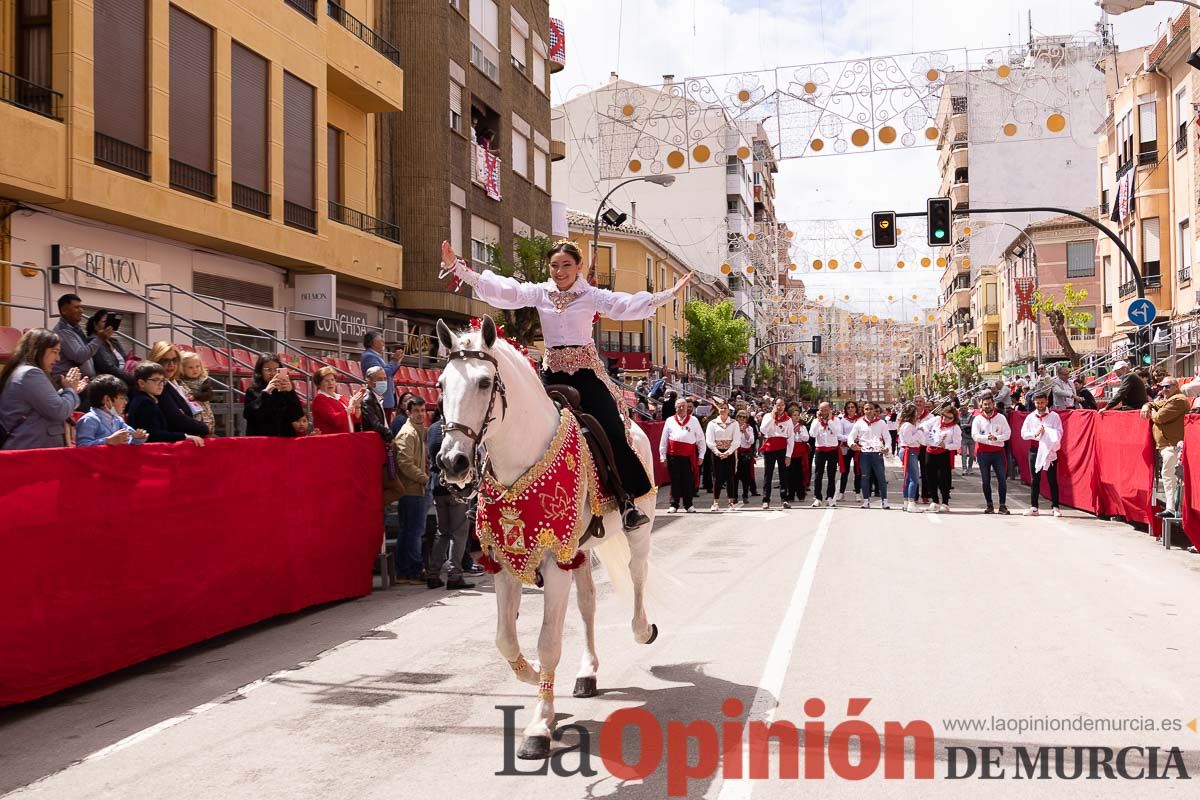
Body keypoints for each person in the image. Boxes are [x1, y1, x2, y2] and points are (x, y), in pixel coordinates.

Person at [442, 239, 690, 531]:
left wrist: (668, 294)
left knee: (611, 427)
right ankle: (484, 494)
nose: (560, 271)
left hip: (586, 374)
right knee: (508, 420)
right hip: (550, 375)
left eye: (566, 265)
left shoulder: (591, 295)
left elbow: (625, 305)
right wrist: (458, 268)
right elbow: (504, 291)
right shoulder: (539, 292)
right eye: (555, 265)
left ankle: (626, 501)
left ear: (578, 267)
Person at [0, 328, 86, 450]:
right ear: (38, 350)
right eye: (54, 352)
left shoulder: (21, 372)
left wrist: (70, 392)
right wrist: (70, 390)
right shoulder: (31, 374)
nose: (58, 359)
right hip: (31, 454)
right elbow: (59, 410)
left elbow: (46, 403)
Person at [425, 405, 475, 589]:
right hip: (456, 486)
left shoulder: (431, 429)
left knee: (443, 532)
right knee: (459, 533)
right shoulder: (455, 430)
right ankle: (455, 575)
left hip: (437, 486)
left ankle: (433, 572)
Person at [392, 394, 429, 584]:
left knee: (410, 531)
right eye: (416, 411)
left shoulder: (418, 431)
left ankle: (405, 571)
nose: (420, 414)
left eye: (423, 410)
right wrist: (424, 478)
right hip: (412, 490)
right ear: (408, 412)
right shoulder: (408, 433)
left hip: (416, 489)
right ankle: (412, 571)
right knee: (412, 532)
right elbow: (404, 463)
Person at [127, 361, 205, 446]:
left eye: (162, 380)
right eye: (156, 380)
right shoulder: (145, 403)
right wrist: (185, 436)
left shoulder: (147, 399)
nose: (161, 384)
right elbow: (153, 434)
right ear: (141, 383)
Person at [1143, 377, 1189, 520]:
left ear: (1176, 386)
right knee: (1169, 477)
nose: (1163, 389)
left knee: (1171, 477)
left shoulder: (1179, 399)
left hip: (1174, 445)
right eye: (1161, 387)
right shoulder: (1169, 399)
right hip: (1168, 445)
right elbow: (1154, 404)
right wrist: (1147, 406)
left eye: (1167, 386)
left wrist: (1151, 411)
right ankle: (1172, 508)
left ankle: (1175, 509)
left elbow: (1160, 417)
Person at [145, 342, 210, 438]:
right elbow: (176, 419)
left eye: (175, 360)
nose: (171, 364)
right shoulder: (157, 386)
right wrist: (204, 427)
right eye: (165, 361)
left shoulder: (176, 382)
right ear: (156, 361)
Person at [243, 353, 306, 437]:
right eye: (268, 370)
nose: (273, 373)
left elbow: (296, 415)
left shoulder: (285, 390)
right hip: (262, 441)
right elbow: (248, 415)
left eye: (276, 370)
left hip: (284, 441)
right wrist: (266, 392)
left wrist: (291, 392)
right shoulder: (252, 391)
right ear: (260, 372)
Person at [1021, 390, 1063, 516]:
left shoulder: (1054, 416)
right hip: (1035, 450)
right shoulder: (1030, 417)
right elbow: (1023, 434)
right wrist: (1036, 434)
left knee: (1052, 479)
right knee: (1035, 479)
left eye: (1042, 402)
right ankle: (1034, 507)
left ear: (1047, 402)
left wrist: (1048, 433)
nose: (1040, 405)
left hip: (1049, 450)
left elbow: (1060, 432)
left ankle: (1055, 507)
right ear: (1034, 403)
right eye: (1037, 403)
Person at [660, 399, 706, 513]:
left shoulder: (694, 420)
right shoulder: (670, 420)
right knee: (675, 480)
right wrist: (662, 456)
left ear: (687, 408)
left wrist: (701, 455)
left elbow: (700, 439)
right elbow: (664, 440)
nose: (681, 409)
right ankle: (674, 504)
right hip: (673, 455)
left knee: (688, 480)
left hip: (688, 456)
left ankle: (688, 504)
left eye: (683, 407)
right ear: (675, 408)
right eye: (678, 407)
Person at [76, 375, 148, 447]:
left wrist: (137, 438)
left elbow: (129, 440)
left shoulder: (118, 420)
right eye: (122, 398)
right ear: (107, 399)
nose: (125, 402)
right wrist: (107, 441)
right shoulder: (89, 419)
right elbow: (82, 447)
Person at [972, 391, 1011, 514]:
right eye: (985, 404)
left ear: (993, 404)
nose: (987, 406)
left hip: (998, 452)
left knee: (1002, 479)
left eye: (989, 404)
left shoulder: (1001, 418)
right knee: (985, 480)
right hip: (983, 453)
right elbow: (975, 435)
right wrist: (987, 438)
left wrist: (997, 438)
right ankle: (989, 504)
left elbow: (1008, 434)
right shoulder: (977, 419)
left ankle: (1002, 505)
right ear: (981, 405)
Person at [847, 401, 890, 509]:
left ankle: (884, 501)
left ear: (874, 410)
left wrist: (887, 447)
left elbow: (888, 437)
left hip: (877, 453)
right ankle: (866, 500)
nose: (869, 411)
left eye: (871, 409)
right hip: (864, 454)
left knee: (881, 477)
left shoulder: (881, 423)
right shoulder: (859, 423)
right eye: (866, 409)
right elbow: (851, 436)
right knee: (865, 477)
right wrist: (852, 444)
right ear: (863, 411)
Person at [51, 293, 100, 383]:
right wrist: (100, 338)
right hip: (67, 384)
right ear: (64, 310)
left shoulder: (75, 329)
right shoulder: (63, 331)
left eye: (81, 307)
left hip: (80, 382)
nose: (81, 311)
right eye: (76, 307)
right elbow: (80, 356)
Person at [923, 404, 961, 513]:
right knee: (930, 478)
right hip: (930, 451)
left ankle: (945, 502)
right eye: (944, 416)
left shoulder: (955, 428)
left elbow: (957, 444)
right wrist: (925, 432)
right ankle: (934, 501)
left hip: (943, 453)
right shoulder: (936, 420)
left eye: (949, 418)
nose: (946, 419)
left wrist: (947, 446)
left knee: (943, 479)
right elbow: (924, 425)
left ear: (954, 418)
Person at [758, 397, 795, 509]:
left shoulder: (788, 420)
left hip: (782, 448)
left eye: (782, 405)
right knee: (768, 474)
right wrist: (772, 418)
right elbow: (763, 430)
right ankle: (766, 500)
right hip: (770, 447)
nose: (780, 407)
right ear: (774, 406)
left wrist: (788, 455)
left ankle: (784, 498)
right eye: (778, 405)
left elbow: (791, 438)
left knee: (783, 474)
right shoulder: (767, 416)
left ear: (784, 406)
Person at [359, 331, 404, 421]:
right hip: (380, 399)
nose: (383, 342)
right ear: (373, 342)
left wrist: (397, 361)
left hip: (385, 399)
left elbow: (388, 375)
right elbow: (381, 374)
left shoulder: (376, 356)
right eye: (381, 339)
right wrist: (394, 361)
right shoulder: (369, 356)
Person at [705, 401, 741, 512]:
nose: (723, 410)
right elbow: (709, 440)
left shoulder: (734, 423)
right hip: (717, 453)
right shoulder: (712, 423)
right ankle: (715, 502)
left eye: (725, 408)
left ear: (728, 410)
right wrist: (717, 452)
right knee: (717, 477)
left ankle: (731, 502)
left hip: (729, 453)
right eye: (721, 408)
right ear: (718, 410)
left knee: (730, 477)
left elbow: (737, 440)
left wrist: (728, 452)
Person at [86, 309, 133, 387]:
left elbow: (125, 360)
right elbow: (107, 367)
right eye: (104, 322)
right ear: (95, 325)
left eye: (110, 322)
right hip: (109, 383)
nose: (108, 326)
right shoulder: (93, 341)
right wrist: (131, 378)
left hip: (123, 380)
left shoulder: (114, 341)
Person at [311, 366, 361, 435]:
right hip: (332, 441)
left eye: (332, 380)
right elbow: (335, 420)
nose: (330, 383)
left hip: (347, 438)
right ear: (319, 384)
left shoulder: (341, 398)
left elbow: (355, 419)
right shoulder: (320, 399)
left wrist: (357, 406)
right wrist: (351, 406)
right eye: (326, 381)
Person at [809, 401, 840, 507]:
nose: (823, 412)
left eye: (826, 409)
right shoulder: (816, 421)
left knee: (831, 474)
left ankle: (830, 497)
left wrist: (829, 421)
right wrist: (818, 421)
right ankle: (817, 497)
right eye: (821, 410)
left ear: (830, 410)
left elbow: (837, 432)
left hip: (832, 450)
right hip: (820, 450)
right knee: (818, 475)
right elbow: (812, 434)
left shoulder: (836, 420)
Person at [178, 351, 216, 434]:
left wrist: (196, 396)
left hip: (203, 411)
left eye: (197, 366)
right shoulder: (180, 382)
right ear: (182, 369)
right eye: (190, 367)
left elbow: (209, 394)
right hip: (188, 411)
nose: (195, 369)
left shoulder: (203, 380)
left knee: (206, 427)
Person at [896, 403, 924, 513]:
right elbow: (909, 440)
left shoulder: (907, 425)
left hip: (911, 451)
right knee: (914, 477)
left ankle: (906, 502)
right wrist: (919, 432)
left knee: (908, 477)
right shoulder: (908, 425)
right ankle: (911, 502)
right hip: (909, 451)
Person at [783, 403, 811, 505]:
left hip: (800, 452)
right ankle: (790, 494)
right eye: (794, 415)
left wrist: (799, 432)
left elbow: (806, 438)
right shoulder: (787, 425)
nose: (796, 417)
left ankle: (801, 493)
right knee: (790, 474)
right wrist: (793, 432)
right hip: (790, 451)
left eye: (797, 415)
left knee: (800, 474)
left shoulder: (802, 426)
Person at [835, 400, 862, 500]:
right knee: (844, 471)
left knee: (858, 470)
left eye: (852, 407)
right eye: (848, 407)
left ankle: (858, 493)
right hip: (846, 447)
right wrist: (850, 439)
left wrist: (858, 439)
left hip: (857, 447)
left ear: (856, 408)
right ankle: (841, 493)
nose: (850, 409)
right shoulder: (842, 420)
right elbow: (839, 435)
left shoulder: (860, 420)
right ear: (846, 409)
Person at [734, 408, 755, 507]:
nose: (742, 419)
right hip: (736, 453)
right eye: (740, 417)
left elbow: (751, 441)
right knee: (735, 476)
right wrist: (739, 430)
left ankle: (745, 495)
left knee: (746, 477)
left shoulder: (749, 428)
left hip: (746, 454)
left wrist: (745, 431)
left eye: (744, 417)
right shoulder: (733, 427)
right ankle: (734, 496)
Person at [958, 404, 975, 476]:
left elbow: (973, 425)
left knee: (971, 454)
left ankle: (970, 468)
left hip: (971, 438)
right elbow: (957, 426)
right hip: (963, 438)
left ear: (967, 409)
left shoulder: (972, 417)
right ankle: (964, 468)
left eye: (965, 408)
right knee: (964, 454)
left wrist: (963, 426)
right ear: (960, 410)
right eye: (962, 409)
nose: (963, 410)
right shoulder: (958, 417)